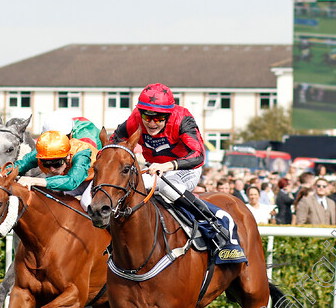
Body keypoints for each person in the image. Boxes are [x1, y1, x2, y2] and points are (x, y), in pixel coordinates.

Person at [109, 83, 229, 249]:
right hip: (154, 168)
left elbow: (199, 155)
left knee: (167, 188)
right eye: (147, 117)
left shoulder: (182, 119)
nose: (151, 123)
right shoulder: (135, 118)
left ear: (168, 115)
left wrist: (168, 166)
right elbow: (113, 142)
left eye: (158, 118)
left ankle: (214, 224)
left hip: (185, 168)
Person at [13, 110, 102, 210]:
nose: (52, 170)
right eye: (46, 163)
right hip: (71, 172)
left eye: (56, 164)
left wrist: (33, 180)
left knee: (87, 203)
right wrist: (1, 172)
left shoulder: (81, 150)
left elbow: (72, 181)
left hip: (94, 175)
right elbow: (23, 163)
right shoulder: (45, 148)